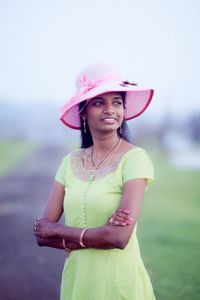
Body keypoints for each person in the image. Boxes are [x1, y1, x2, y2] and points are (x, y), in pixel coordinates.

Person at [33, 64, 156, 300]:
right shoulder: (69, 162)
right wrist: (100, 235)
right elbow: (41, 236)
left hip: (120, 282)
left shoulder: (135, 160)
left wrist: (59, 230)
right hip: (78, 281)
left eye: (117, 102)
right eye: (99, 102)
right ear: (83, 112)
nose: (110, 109)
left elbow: (119, 238)